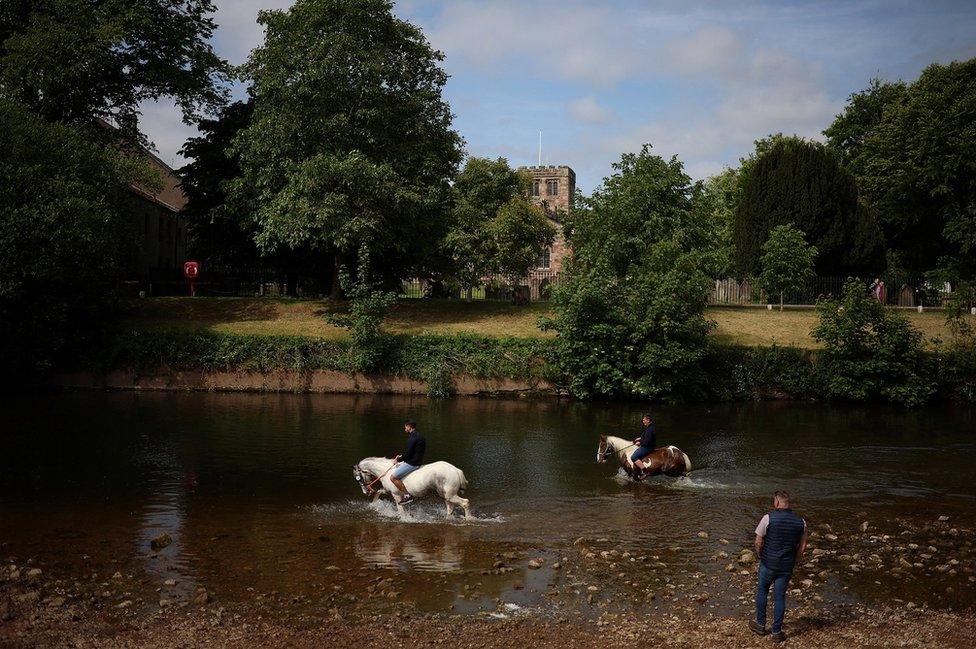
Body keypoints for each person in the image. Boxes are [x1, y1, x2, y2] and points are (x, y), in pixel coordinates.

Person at [750, 490, 808, 643]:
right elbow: (802, 547)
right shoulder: (801, 522)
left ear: (776, 502)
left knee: (762, 591)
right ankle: (776, 631)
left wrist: (760, 555)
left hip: (768, 563)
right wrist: (794, 561)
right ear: (788, 503)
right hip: (786, 566)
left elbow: (758, 542)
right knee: (780, 597)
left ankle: (760, 625)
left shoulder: (768, 518)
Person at [390, 419, 425, 504]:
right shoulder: (420, 436)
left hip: (413, 463)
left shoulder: (412, 438)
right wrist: (402, 457)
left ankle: (407, 495)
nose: (404, 428)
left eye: (405, 426)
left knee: (393, 477)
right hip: (418, 460)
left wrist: (397, 460)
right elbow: (414, 452)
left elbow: (408, 455)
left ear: (409, 426)